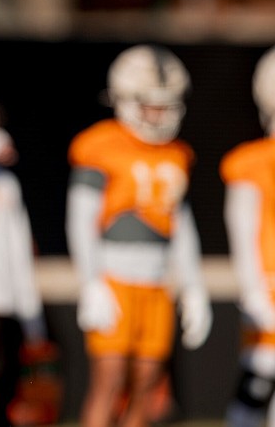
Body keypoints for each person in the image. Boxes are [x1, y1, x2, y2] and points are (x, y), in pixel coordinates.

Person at [66, 44, 213, 427]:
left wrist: (194, 286)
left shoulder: (176, 153)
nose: (159, 115)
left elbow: (180, 225)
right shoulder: (100, 145)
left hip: (157, 282)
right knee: (109, 380)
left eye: (166, 105)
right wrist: (92, 282)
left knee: (148, 385)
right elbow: (80, 220)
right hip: (115, 277)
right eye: (150, 104)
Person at [0, 94, 60, 427]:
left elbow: (19, 250)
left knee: (3, 390)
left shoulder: (7, 183)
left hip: (5, 302)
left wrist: (32, 315)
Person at [222, 45, 275, 427]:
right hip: (270, 284)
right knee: (259, 378)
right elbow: (242, 230)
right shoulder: (252, 162)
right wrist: (253, 289)